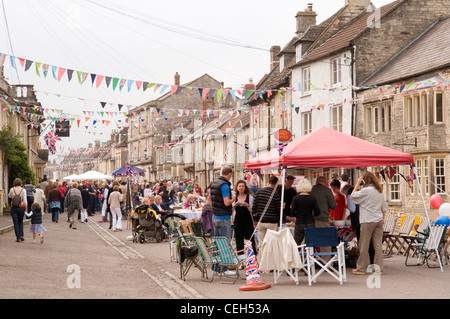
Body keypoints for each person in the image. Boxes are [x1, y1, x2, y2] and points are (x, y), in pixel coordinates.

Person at [351, 171, 388, 275]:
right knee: (378, 246)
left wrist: (357, 183)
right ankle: (378, 268)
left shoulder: (366, 191)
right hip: (379, 220)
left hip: (367, 220)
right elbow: (384, 207)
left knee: (364, 244)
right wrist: (383, 218)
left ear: (365, 180)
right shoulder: (379, 191)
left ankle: (361, 268)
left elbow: (353, 196)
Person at [310, 176, 336, 259]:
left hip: (310, 220)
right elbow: (333, 205)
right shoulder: (327, 190)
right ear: (325, 183)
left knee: (309, 241)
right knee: (325, 241)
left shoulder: (310, 190)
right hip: (323, 218)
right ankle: (326, 262)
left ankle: (308, 262)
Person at [252, 175, 281, 251]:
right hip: (272, 222)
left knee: (262, 243)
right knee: (272, 243)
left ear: (269, 182)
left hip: (261, 221)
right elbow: (278, 210)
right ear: (275, 184)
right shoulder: (275, 195)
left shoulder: (258, 192)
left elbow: (254, 208)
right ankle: (270, 260)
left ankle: (262, 260)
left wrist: (255, 220)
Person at [289, 178, 320, 245]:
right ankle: (310, 255)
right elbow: (317, 212)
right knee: (310, 243)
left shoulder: (295, 198)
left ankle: (297, 255)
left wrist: (297, 214)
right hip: (310, 222)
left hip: (299, 222)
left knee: (297, 243)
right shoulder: (312, 198)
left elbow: (292, 213)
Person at [210, 166, 235, 242]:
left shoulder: (215, 183)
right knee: (225, 242)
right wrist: (233, 199)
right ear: (230, 174)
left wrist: (214, 208)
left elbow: (209, 198)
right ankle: (225, 254)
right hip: (224, 217)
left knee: (217, 241)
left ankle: (218, 254)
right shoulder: (224, 185)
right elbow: (227, 203)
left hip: (215, 216)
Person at [232, 180, 256, 258]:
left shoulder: (250, 197)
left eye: (243, 186)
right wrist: (235, 205)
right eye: (240, 186)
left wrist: (247, 205)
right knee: (239, 240)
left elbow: (253, 209)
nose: (241, 188)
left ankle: (252, 259)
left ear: (245, 187)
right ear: (237, 187)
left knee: (250, 240)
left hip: (247, 220)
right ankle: (241, 261)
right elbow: (230, 210)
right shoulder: (234, 197)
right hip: (238, 221)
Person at [8, 178, 28, 242]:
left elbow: (9, 196)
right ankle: (21, 235)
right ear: (20, 183)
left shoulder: (12, 189)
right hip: (21, 207)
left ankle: (18, 237)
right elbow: (25, 200)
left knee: (15, 222)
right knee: (20, 222)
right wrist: (26, 207)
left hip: (13, 207)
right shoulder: (23, 190)